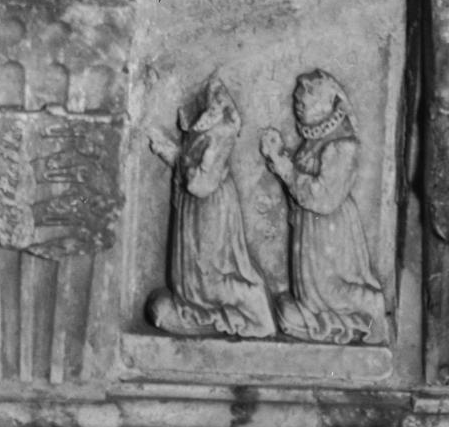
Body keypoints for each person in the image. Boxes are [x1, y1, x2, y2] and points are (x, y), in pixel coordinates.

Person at [259, 70, 389, 345]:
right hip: (311, 232)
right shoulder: (315, 140)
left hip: (330, 233)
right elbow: (298, 187)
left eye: (304, 103)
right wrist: (279, 155)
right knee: (304, 300)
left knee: (329, 291)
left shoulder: (342, 145)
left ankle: (372, 305)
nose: (298, 107)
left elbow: (322, 199)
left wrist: (283, 166)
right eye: (297, 102)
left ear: (326, 104)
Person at [146, 74, 275, 339]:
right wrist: (170, 151)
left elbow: (199, 184)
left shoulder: (220, 132)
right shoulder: (204, 128)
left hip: (208, 205)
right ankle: (217, 314)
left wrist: (175, 156)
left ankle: (256, 310)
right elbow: (192, 169)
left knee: (208, 276)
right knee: (191, 280)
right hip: (197, 205)